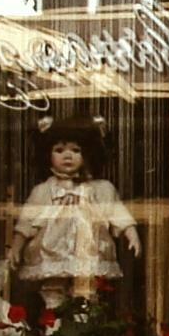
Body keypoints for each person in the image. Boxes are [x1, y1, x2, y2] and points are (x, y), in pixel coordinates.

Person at [8, 122, 140, 312]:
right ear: (48, 155)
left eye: (75, 150)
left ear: (88, 154)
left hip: (88, 248)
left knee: (86, 289)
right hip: (51, 251)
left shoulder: (100, 188)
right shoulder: (44, 190)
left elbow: (116, 211)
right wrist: (16, 245)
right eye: (59, 150)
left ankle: (84, 324)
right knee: (53, 289)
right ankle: (55, 324)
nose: (67, 156)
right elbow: (27, 221)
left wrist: (130, 231)